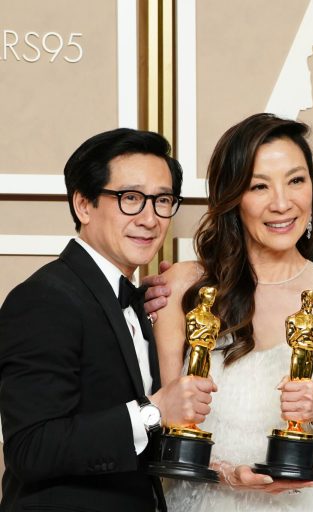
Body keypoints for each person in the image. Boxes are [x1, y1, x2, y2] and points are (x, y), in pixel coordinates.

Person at [154, 113, 313, 511]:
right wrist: (227, 473)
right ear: (233, 196)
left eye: (296, 180)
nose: (282, 203)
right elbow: (169, 430)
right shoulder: (183, 288)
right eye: (259, 186)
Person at [0, 128, 216, 511]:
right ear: (83, 205)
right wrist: (154, 412)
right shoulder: (45, 298)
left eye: (162, 200)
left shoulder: (140, 301)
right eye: (130, 198)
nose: (150, 218)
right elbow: (31, 448)